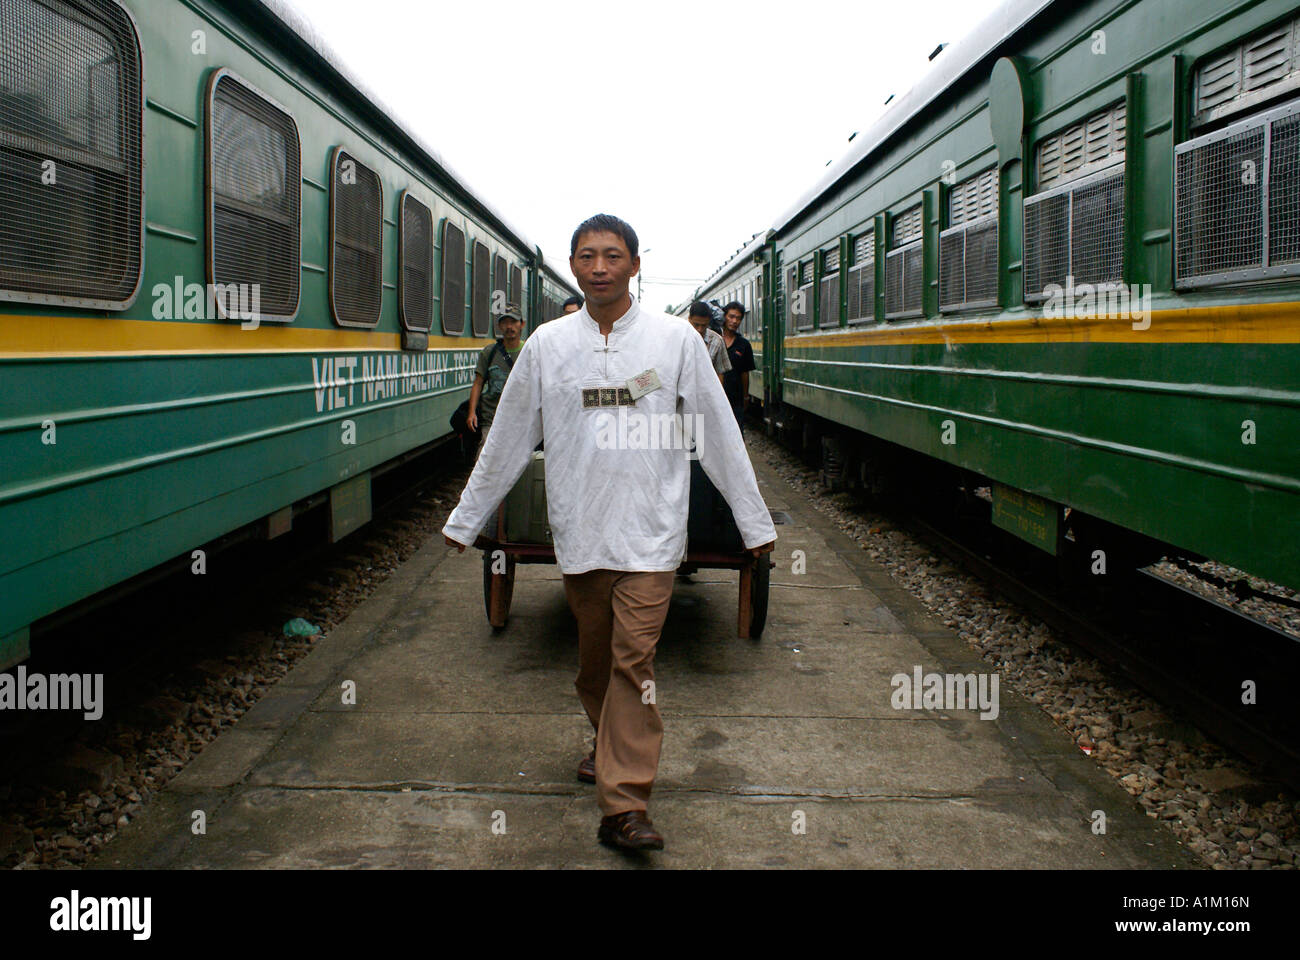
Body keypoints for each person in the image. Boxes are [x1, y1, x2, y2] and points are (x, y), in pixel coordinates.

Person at [442, 214, 776, 852]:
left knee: (634, 661)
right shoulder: (547, 346)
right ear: (573, 267)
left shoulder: (674, 342)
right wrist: (467, 518)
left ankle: (624, 804)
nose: (600, 267)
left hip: (651, 535)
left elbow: (717, 430)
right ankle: (606, 739)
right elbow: (509, 436)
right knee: (595, 664)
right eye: (588, 257)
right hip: (581, 531)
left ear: (635, 264)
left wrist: (753, 522)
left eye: (613, 256)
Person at [466, 302, 523, 452]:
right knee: (486, 458)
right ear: (499, 326)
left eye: (513, 322)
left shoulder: (528, 351)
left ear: (521, 324)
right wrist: (471, 413)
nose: (509, 327)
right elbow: (478, 383)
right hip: (491, 418)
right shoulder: (489, 352)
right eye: (505, 323)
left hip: (520, 418)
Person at [720, 301, 756, 430]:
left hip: (736, 399)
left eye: (738, 318)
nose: (734, 321)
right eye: (731, 317)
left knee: (736, 433)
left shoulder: (743, 344)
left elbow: (745, 373)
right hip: (716, 397)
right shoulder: (714, 340)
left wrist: (746, 396)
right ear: (724, 317)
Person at [687, 300, 731, 386]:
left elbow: (720, 373)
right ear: (689, 319)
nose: (700, 329)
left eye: (704, 325)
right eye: (696, 325)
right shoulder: (679, 338)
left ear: (709, 322)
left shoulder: (717, 341)